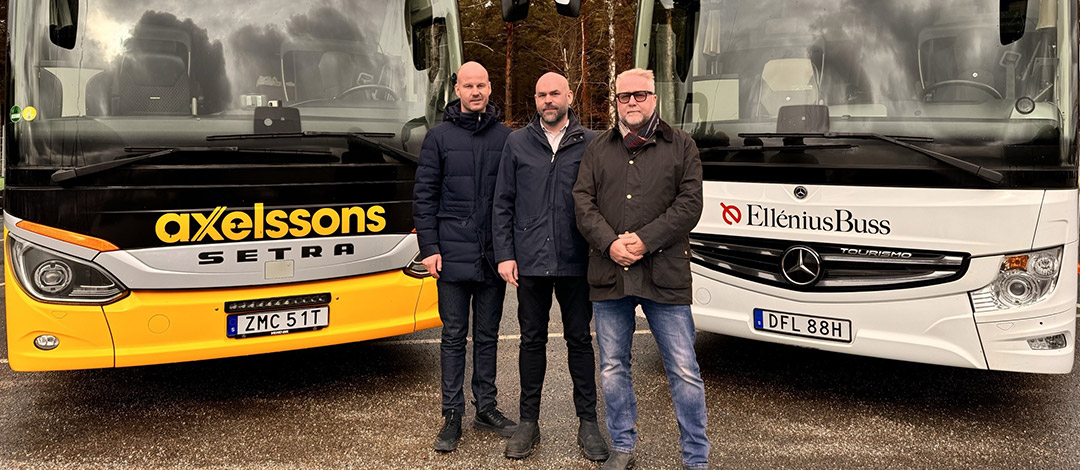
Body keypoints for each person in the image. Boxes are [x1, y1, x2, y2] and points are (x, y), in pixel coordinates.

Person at [572, 68, 709, 470]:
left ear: (655, 98)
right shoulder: (598, 149)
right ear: (615, 101)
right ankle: (623, 445)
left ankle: (696, 457)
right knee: (613, 368)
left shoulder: (682, 146)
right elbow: (582, 202)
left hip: (664, 275)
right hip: (609, 273)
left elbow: (689, 205)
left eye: (640, 95)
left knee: (683, 370)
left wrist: (645, 240)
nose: (631, 102)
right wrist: (610, 243)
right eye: (623, 96)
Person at [492, 72, 609, 462]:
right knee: (531, 341)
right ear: (536, 100)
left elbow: (602, 199)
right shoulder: (517, 143)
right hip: (530, 261)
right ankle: (528, 422)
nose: (547, 100)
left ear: (569, 96)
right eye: (541, 94)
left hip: (577, 259)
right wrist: (505, 254)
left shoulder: (592, 142)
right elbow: (503, 202)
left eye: (554, 93)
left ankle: (588, 423)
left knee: (580, 341)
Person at [413, 61, 517, 453]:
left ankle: (486, 407)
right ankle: (452, 414)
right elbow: (424, 197)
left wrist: (510, 252)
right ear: (457, 90)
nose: (475, 92)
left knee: (488, 336)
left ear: (490, 88)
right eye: (468, 85)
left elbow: (514, 199)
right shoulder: (437, 138)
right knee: (454, 337)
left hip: (492, 257)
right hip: (451, 256)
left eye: (481, 85)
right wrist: (430, 248)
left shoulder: (508, 138)